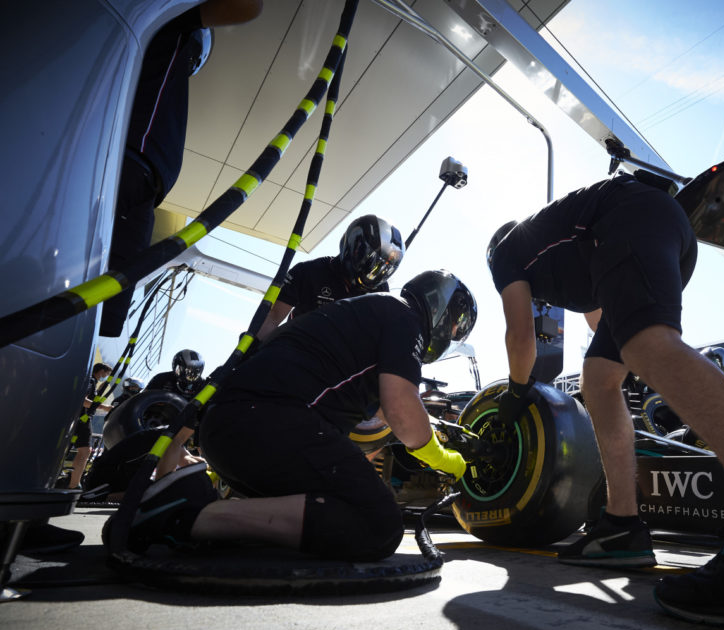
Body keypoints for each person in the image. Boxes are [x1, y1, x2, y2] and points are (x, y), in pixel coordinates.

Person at [488, 174, 724, 622]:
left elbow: (520, 337)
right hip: (662, 233)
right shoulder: (565, 255)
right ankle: (621, 527)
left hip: (630, 218)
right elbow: (603, 321)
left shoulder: (507, 252)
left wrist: (517, 393)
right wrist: (634, 351)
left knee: (648, 343)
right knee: (599, 377)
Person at [115, 270, 477, 561]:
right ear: (442, 312)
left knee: (342, 503)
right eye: (457, 326)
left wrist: (432, 432)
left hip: (237, 427)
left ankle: (190, 507)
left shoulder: (371, 314)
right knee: (378, 523)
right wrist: (444, 458)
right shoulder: (404, 316)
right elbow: (401, 409)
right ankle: (183, 515)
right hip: (266, 423)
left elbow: (390, 411)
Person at [100, 0, 264, 337]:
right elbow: (248, 6)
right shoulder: (162, 22)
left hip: (132, 185)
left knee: (93, 316)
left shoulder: (152, 48)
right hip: (124, 176)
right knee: (88, 311)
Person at [255, 215, 404, 340]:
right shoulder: (308, 272)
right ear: (355, 246)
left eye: (382, 268)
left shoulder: (380, 293)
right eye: (370, 260)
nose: (372, 272)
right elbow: (273, 317)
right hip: (297, 353)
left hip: (340, 368)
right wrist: (251, 348)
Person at [67, 363, 114, 489]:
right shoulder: (91, 381)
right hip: (83, 419)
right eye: (107, 374)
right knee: (85, 451)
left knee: (79, 450)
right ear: (102, 371)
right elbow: (83, 400)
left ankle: (72, 481)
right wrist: (105, 408)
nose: (106, 376)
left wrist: (100, 390)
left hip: (80, 419)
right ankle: (74, 485)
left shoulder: (91, 382)